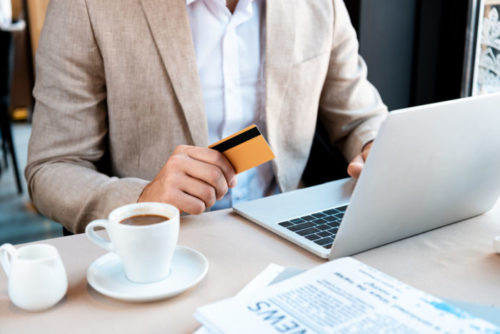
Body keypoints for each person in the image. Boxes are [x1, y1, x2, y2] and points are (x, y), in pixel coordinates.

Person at [26, 0, 388, 233]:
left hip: (292, 236)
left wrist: (377, 147)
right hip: (164, 252)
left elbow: (361, 118)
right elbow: (53, 166)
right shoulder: (86, 6)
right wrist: (141, 200)